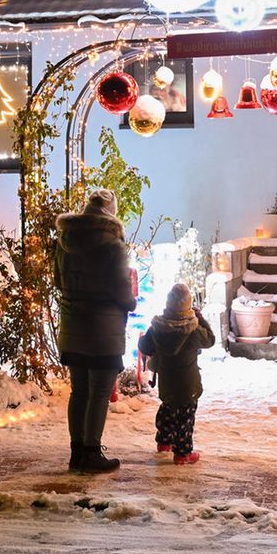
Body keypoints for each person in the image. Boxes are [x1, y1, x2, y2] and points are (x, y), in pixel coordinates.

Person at [54, 188, 137, 474]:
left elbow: (57, 280)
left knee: (79, 391)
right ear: (110, 212)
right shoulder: (113, 246)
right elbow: (121, 290)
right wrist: (131, 302)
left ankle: (76, 453)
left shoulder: (64, 241)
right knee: (99, 392)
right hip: (103, 329)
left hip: (72, 325)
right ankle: (91, 452)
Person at [138, 283, 215, 465]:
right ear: (188, 305)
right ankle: (183, 453)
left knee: (168, 410)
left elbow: (144, 346)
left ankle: (164, 442)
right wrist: (200, 318)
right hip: (188, 384)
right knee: (185, 419)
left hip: (167, 381)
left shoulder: (157, 327)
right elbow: (210, 340)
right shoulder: (193, 329)